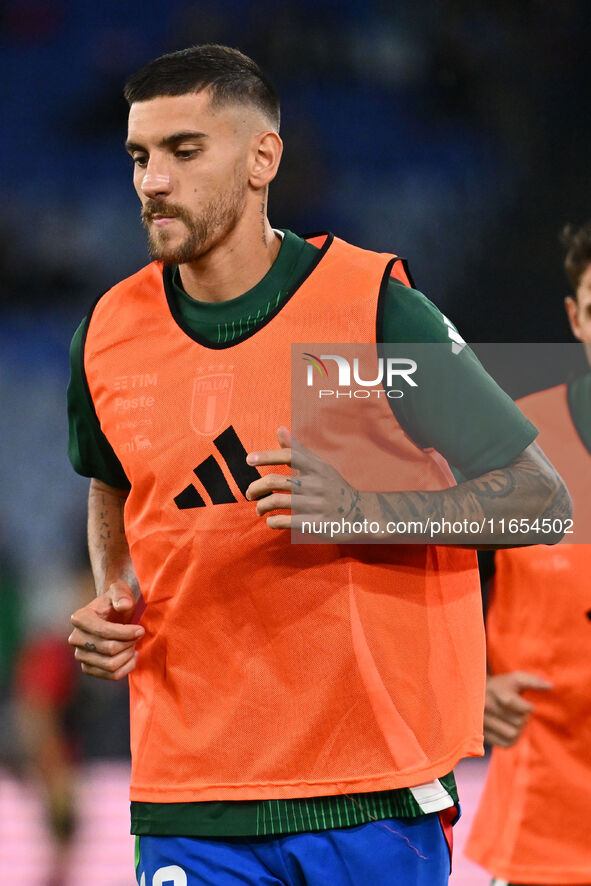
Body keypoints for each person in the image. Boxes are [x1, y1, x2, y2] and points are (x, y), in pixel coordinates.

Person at [66, 45, 570, 886]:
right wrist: (115, 589)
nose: (153, 180)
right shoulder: (110, 332)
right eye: (140, 156)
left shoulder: (369, 309)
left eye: (184, 151)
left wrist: (362, 509)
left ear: (263, 158)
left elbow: (538, 498)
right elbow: (109, 480)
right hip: (188, 795)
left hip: (367, 791)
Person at [465, 222, 591, 886]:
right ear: (575, 317)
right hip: (540, 830)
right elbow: (426, 587)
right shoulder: (512, 448)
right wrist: (463, 686)